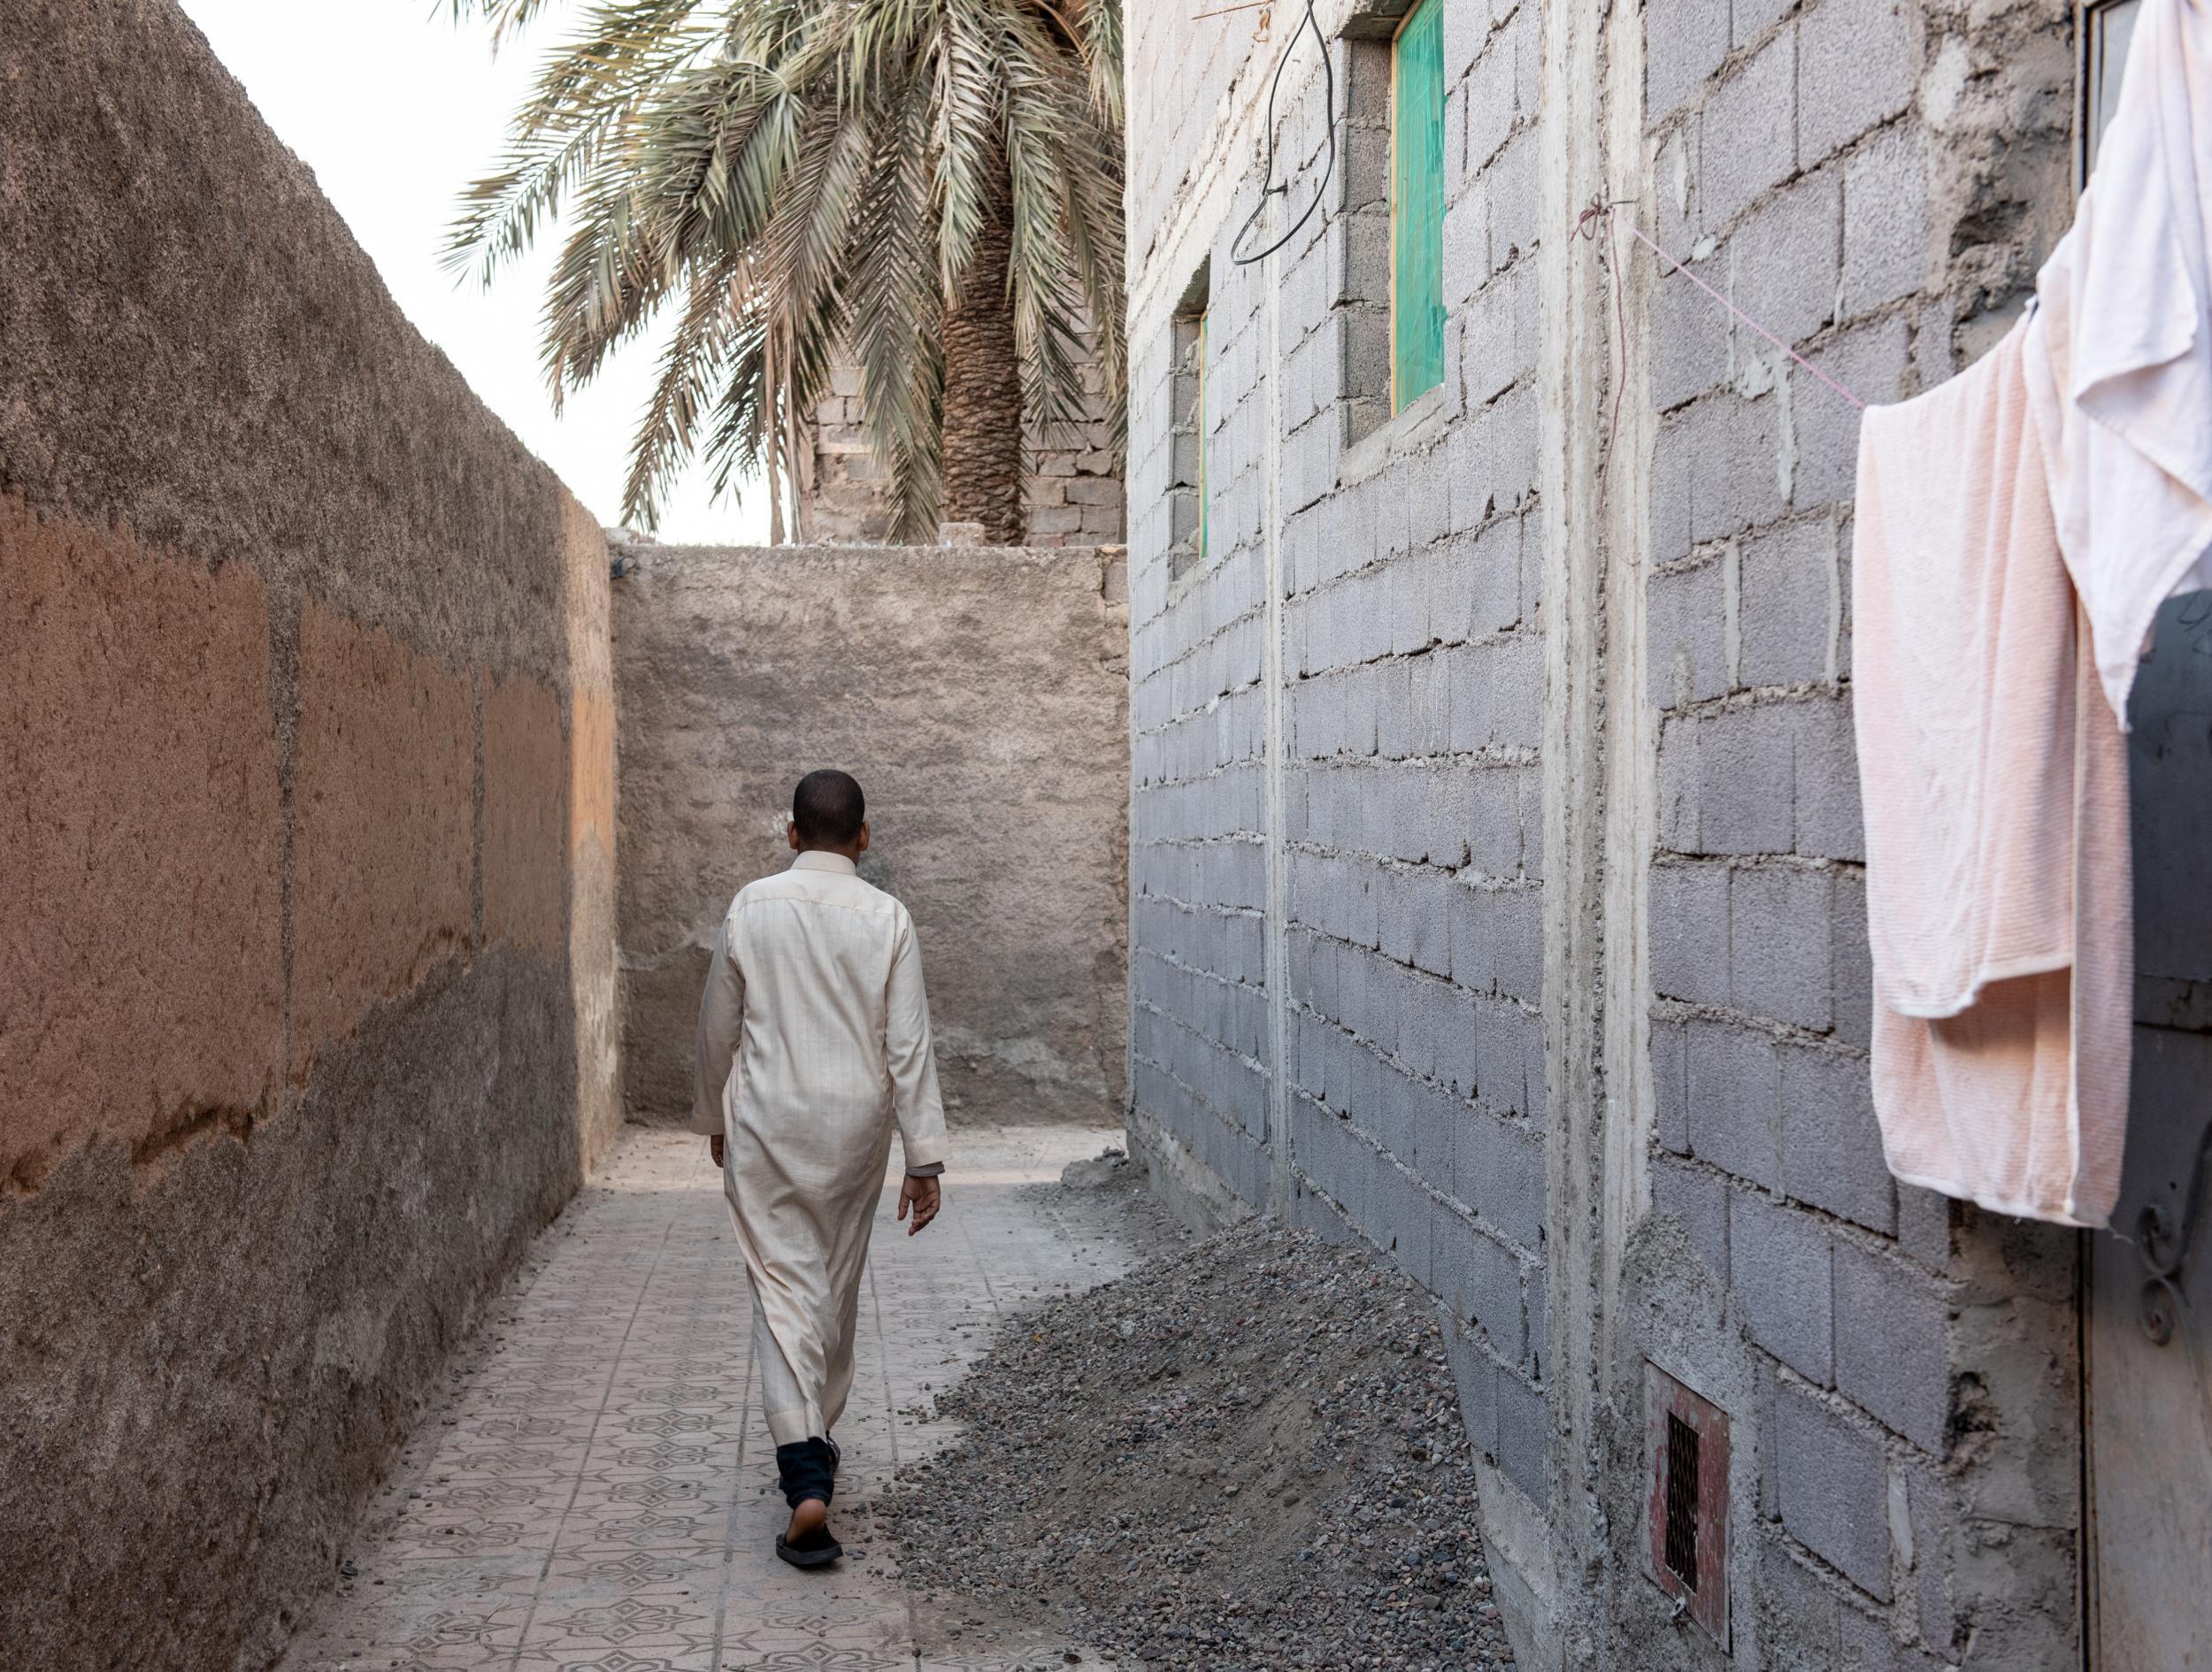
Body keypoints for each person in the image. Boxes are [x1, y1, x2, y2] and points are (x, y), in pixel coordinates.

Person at [691, 769, 948, 1568]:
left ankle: (805, 1470)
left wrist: (711, 1119)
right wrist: (923, 1157)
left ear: (792, 834)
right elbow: (907, 1045)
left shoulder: (751, 906)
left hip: (765, 1122)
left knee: (780, 1288)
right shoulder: (889, 917)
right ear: (864, 838)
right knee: (830, 1286)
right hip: (852, 1134)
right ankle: (814, 1445)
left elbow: (715, 1028)